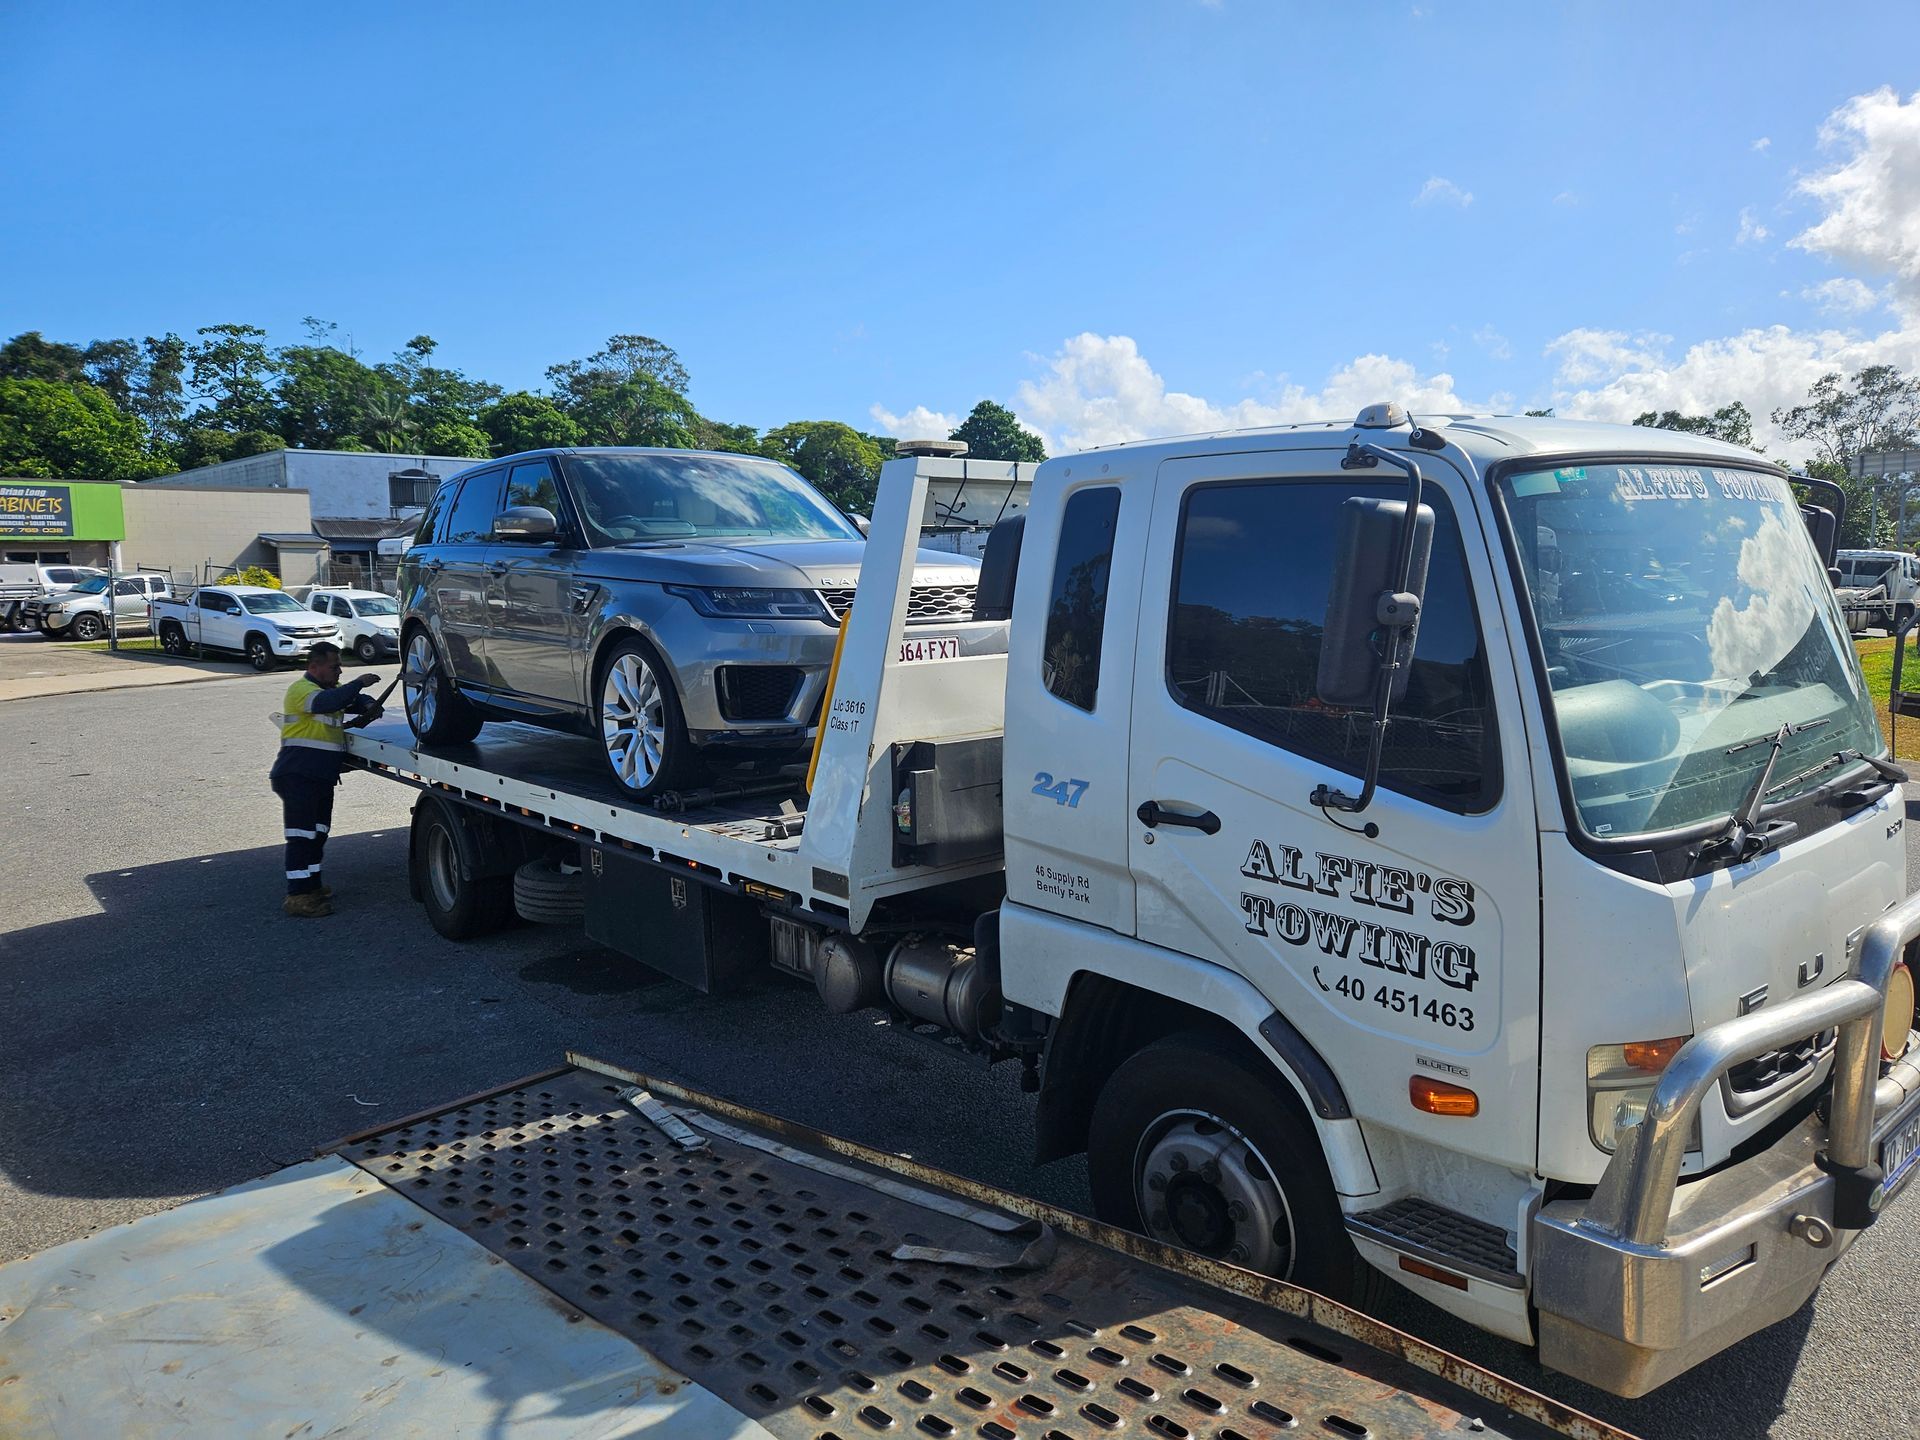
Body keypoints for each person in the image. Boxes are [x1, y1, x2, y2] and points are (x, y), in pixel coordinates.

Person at [272, 641, 383, 917]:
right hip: (299, 776)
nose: (339, 672)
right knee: (302, 836)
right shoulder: (303, 691)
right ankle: (297, 896)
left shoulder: (330, 691)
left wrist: (369, 704)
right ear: (314, 667)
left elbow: (353, 701)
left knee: (318, 834)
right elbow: (330, 702)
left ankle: (311, 886)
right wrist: (359, 683)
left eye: (340, 667)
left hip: (319, 778)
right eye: (335, 667)